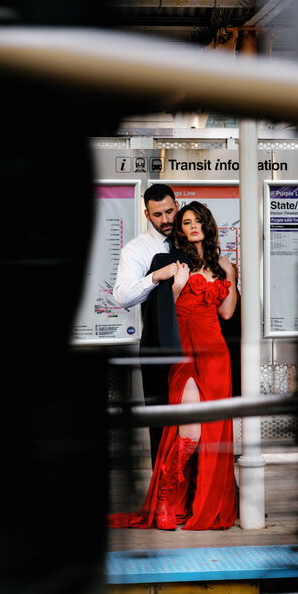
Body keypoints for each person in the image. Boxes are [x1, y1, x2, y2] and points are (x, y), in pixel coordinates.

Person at [109, 201, 238, 530]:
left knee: (214, 434)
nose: (192, 226)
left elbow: (226, 314)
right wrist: (178, 284)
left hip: (216, 354)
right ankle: (166, 500)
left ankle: (206, 501)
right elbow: (166, 308)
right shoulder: (174, 262)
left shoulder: (223, 265)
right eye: (186, 222)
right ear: (180, 230)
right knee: (190, 431)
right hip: (184, 353)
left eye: (198, 221)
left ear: (207, 226)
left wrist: (233, 278)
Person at [114, 184, 191, 464]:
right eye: (158, 214)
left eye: (170, 211)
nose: (166, 220)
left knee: (196, 421)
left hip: (194, 342)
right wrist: (155, 276)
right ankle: (164, 497)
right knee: (162, 421)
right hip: (158, 345)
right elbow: (122, 296)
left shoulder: (192, 238)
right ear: (147, 213)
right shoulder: (136, 249)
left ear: (177, 205)